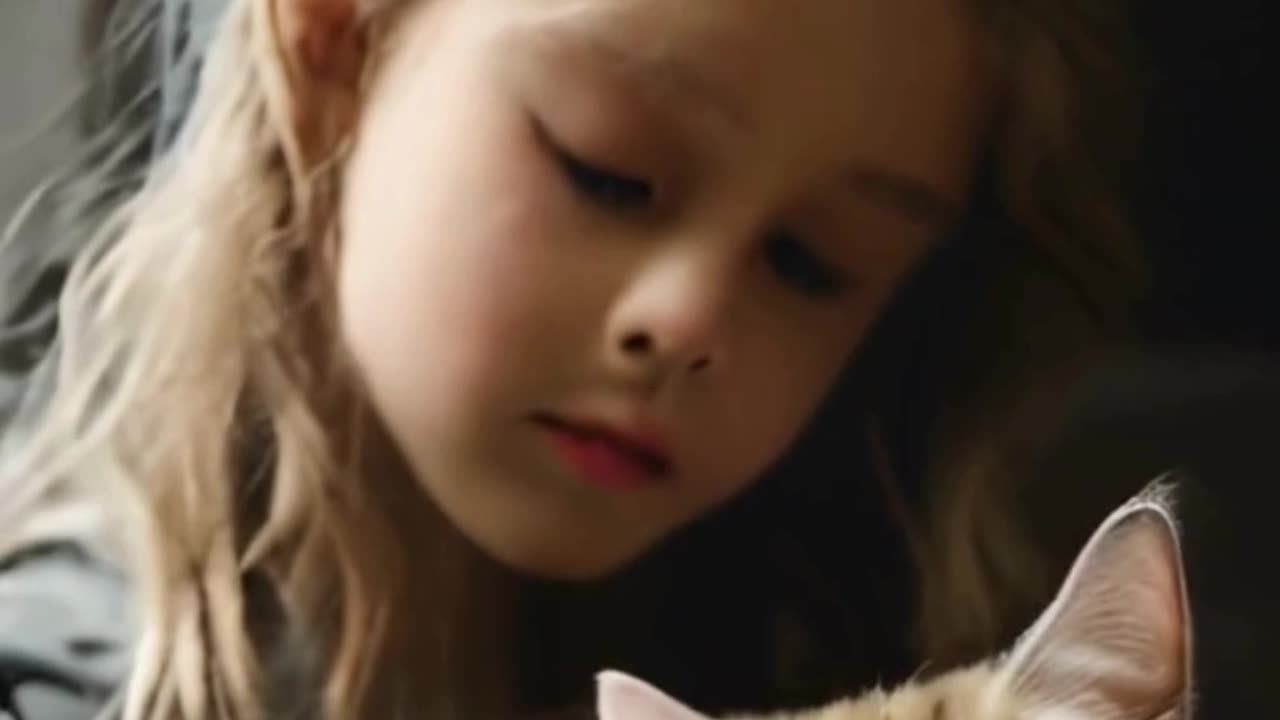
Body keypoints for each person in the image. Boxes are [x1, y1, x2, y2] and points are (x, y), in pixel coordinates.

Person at [0, 0, 1148, 717]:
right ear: (336, 42)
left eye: (810, 261)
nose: (689, 319)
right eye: (607, 171)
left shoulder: (835, 628)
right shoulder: (56, 675)